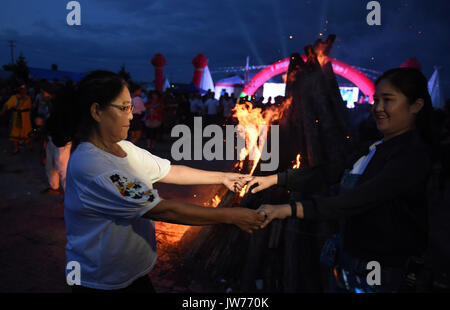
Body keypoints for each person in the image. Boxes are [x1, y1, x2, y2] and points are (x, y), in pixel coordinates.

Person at [49, 70, 263, 293]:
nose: (131, 115)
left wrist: (223, 177)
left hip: (132, 273)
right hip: (102, 282)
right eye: (123, 108)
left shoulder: (124, 149)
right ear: (97, 111)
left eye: (130, 108)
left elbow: (170, 171)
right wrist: (231, 216)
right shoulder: (92, 165)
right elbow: (164, 210)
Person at [247, 67, 433, 293]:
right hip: (348, 259)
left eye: (388, 100)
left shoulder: (411, 156)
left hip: (380, 268)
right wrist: (276, 179)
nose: (377, 108)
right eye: (376, 100)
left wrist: (288, 209)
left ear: (416, 105)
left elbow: (358, 199)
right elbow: (327, 173)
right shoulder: (372, 148)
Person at [0, 84, 33, 153]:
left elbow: (30, 108)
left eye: (25, 89)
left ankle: (30, 147)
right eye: (22, 89)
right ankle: (16, 149)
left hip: (26, 118)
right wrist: (2, 111)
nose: (23, 90)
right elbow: (7, 105)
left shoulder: (28, 98)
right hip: (16, 117)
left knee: (28, 132)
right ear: (19, 89)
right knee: (15, 133)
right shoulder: (14, 97)